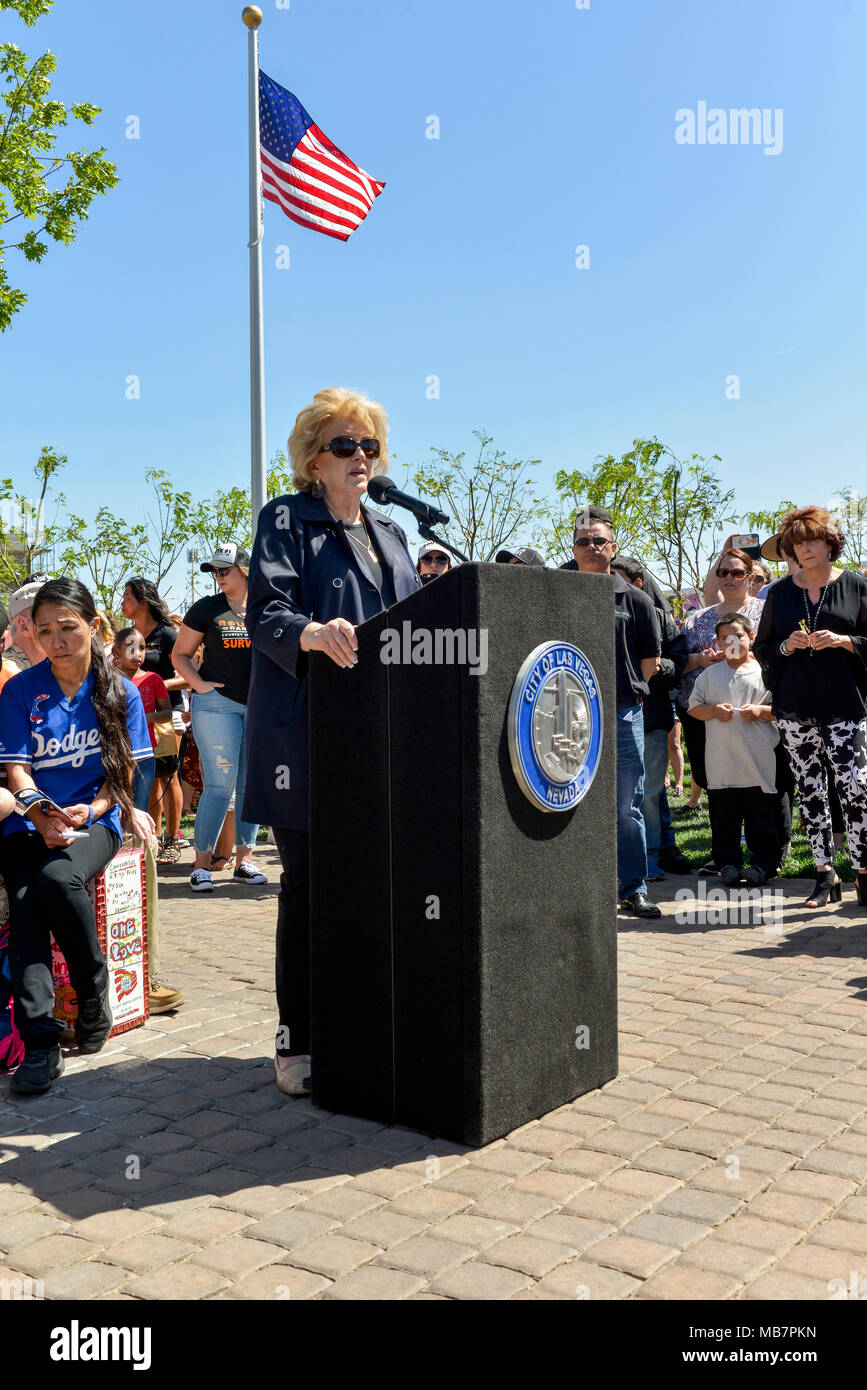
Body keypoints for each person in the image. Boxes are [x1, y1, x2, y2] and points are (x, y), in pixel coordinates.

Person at [242, 387, 421, 1096]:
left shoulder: (392, 531)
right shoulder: (287, 519)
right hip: (306, 738)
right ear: (313, 459)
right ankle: (298, 1042)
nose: (359, 457)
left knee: (377, 885)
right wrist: (311, 633)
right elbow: (265, 613)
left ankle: (364, 1023)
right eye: (343, 445)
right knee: (312, 890)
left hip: (385, 734)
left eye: (368, 445)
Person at [0, 578, 154, 1095]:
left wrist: (93, 809)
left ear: (92, 626)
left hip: (96, 819)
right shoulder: (22, 690)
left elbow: (123, 778)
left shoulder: (120, 690)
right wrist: (41, 814)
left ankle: (92, 990)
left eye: (68, 627)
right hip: (28, 820)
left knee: (57, 879)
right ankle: (40, 1044)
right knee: (25, 899)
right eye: (45, 631)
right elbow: (18, 773)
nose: (57, 639)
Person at [754, 505, 867, 908]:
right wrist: (787, 645)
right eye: (796, 544)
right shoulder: (780, 592)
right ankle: (824, 874)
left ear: (830, 543)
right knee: (811, 791)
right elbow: (761, 647)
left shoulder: (855, 586)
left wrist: (844, 641)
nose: (804, 550)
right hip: (795, 708)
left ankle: (863, 870)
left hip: (845, 706)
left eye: (811, 541)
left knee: (855, 787)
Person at [571, 518, 662, 917]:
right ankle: (580, 889)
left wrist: (624, 695)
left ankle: (634, 888)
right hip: (570, 715)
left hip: (624, 714)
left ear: (613, 547)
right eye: (583, 541)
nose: (591, 546)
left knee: (627, 805)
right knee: (570, 802)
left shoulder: (636, 599)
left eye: (599, 541)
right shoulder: (557, 592)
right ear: (573, 549)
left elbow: (651, 662)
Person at [171, 543, 266, 893]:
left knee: (248, 786)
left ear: (245, 569)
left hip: (257, 707)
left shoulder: (264, 607)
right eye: (215, 570)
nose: (219, 575)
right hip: (216, 705)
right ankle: (201, 867)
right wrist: (199, 686)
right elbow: (179, 654)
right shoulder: (206, 608)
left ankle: (244, 861)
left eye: (225, 569)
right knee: (219, 785)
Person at [111, 625, 184, 1014]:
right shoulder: (106, 682)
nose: (138, 654)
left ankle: (143, 972)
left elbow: (165, 714)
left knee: (139, 836)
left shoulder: (146, 682)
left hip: (141, 758)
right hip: (103, 775)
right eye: (130, 647)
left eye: (143, 647)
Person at [675, 550, 764, 867]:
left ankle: (766, 853)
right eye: (723, 573)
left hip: (754, 714)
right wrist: (702, 660)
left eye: (737, 573)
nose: (729, 578)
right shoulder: (697, 619)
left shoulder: (765, 614)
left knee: (758, 781)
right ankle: (724, 854)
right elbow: (677, 665)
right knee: (712, 781)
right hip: (703, 714)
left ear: (750, 578)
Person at [612, 555, 691, 878]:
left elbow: (678, 656)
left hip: (649, 715)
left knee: (648, 793)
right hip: (606, 716)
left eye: (616, 577)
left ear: (638, 583)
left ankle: (651, 858)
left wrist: (652, 672)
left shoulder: (654, 614)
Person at [689, 613, 781, 887]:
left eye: (738, 636)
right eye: (725, 638)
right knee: (724, 819)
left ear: (751, 637)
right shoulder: (709, 676)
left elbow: (783, 710)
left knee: (760, 820)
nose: (732, 642)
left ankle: (763, 864)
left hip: (757, 764)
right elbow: (694, 707)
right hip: (722, 765)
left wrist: (761, 711)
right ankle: (728, 863)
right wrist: (714, 711)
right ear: (717, 642)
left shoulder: (766, 673)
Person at [120, 578, 186, 864]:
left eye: (127, 598)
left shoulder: (168, 634)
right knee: (148, 778)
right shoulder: (129, 635)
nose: (122, 603)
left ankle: (173, 839)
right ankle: (153, 838)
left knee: (168, 776)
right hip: (137, 718)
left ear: (143, 602)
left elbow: (189, 676)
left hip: (166, 714)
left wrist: (155, 683)